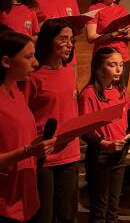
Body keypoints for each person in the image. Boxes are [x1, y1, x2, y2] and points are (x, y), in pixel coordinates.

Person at [23, 19, 79, 222]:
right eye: (63, 39)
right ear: (48, 41)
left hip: (70, 154)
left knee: (66, 215)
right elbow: (24, 116)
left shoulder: (69, 72)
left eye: (71, 40)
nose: (69, 44)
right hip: (44, 157)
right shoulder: (34, 76)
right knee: (43, 216)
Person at [0, 31, 56, 222]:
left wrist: (38, 146)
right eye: (29, 57)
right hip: (6, 203)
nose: (36, 63)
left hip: (26, 195)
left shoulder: (16, 90)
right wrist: (28, 150)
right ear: (6, 62)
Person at [79, 47, 130, 223]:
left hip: (119, 153)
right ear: (99, 67)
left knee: (114, 207)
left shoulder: (122, 91)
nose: (119, 70)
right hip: (101, 155)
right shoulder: (89, 93)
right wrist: (103, 143)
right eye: (112, 65)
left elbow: (127, 121)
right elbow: (84, 129)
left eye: (121, 65)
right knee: (99, 209)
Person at [86, 0, 130, 88]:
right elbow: (91, 37)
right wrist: (114, 34)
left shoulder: (122, 9)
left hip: (122, 56)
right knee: (103, 91)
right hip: (104, 58)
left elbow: (126, 34)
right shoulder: (94, 9)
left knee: (121, 92)